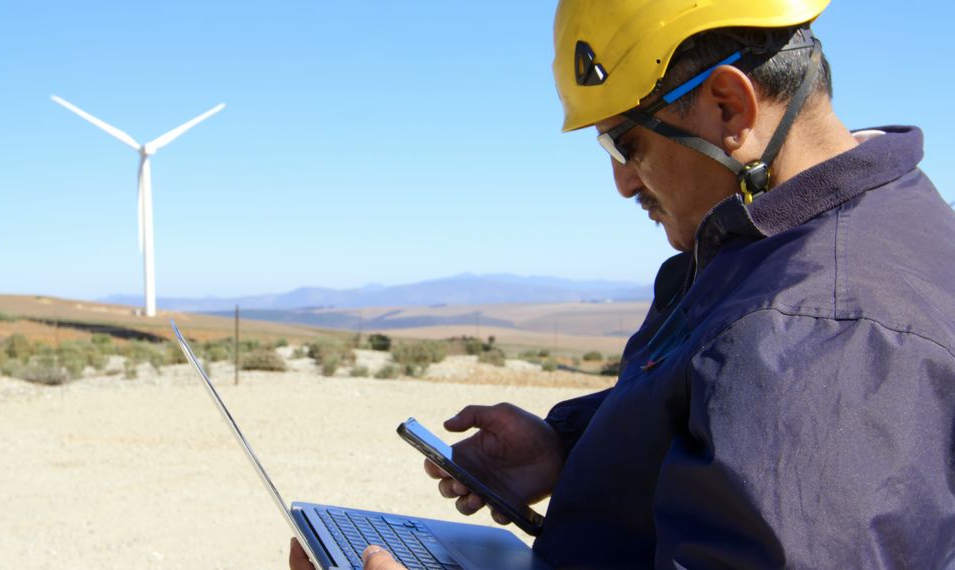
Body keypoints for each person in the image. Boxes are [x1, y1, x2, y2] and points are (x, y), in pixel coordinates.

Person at [292, 0, 955, 567]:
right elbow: (727, 412)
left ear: (730, 107)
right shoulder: (799, 240)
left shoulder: (818, 326)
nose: (623, 183)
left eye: (625, 145)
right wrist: (573, 449)